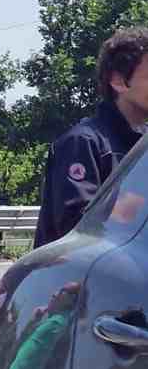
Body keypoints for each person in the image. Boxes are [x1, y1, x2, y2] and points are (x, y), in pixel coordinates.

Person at [34, 27, 148, 248]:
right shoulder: (82, 143)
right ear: (118, 81)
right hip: (79, 280)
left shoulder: (143, 146)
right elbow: (77, 227)